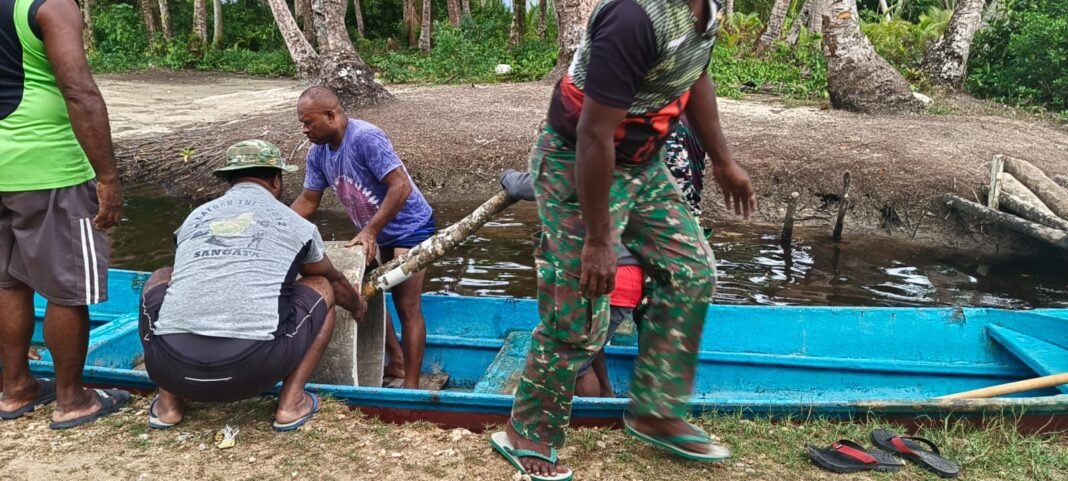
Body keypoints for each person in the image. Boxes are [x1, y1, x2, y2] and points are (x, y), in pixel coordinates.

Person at [489, 0, 758, 478]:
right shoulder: (635, 17)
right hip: (578, 164)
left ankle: (655, 411)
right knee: (578, 314)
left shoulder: (707, 12)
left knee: (691, 270)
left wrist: (722, 160)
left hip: (641, 162)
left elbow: (693, 78)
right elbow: (593, 134)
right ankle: (525, 432)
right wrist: (598, 242)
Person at [140, 140, 367, 431]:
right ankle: (291, 403)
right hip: (251, 371)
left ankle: (168, 405)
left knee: (161, 275)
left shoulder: (194, 218)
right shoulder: (295, 223)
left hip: (170, 368)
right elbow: (334, 281)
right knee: (321, 285)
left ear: (229, 182)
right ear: (276, 180)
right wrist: (358, 306)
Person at [0, 0, 130, 429]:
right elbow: (78, 89)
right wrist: (107, 177)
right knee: (68, 286)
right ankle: (72, 399)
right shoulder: (49, 5)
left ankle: (16, 388)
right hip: (48, 165)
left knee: (7, 282)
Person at [291, 87, 436, 390]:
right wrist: (277, 226)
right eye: (302, 123)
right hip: (375, 231)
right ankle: (394, 361)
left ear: (331, 115)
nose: (305, 129)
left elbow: (400, 187)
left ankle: (410, 387)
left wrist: (369, 230)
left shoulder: (365, 138)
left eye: (309, 122)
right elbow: (308, 200)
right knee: (367, 296)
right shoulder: (318, 153)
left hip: (410, 227)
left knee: (406, 305)